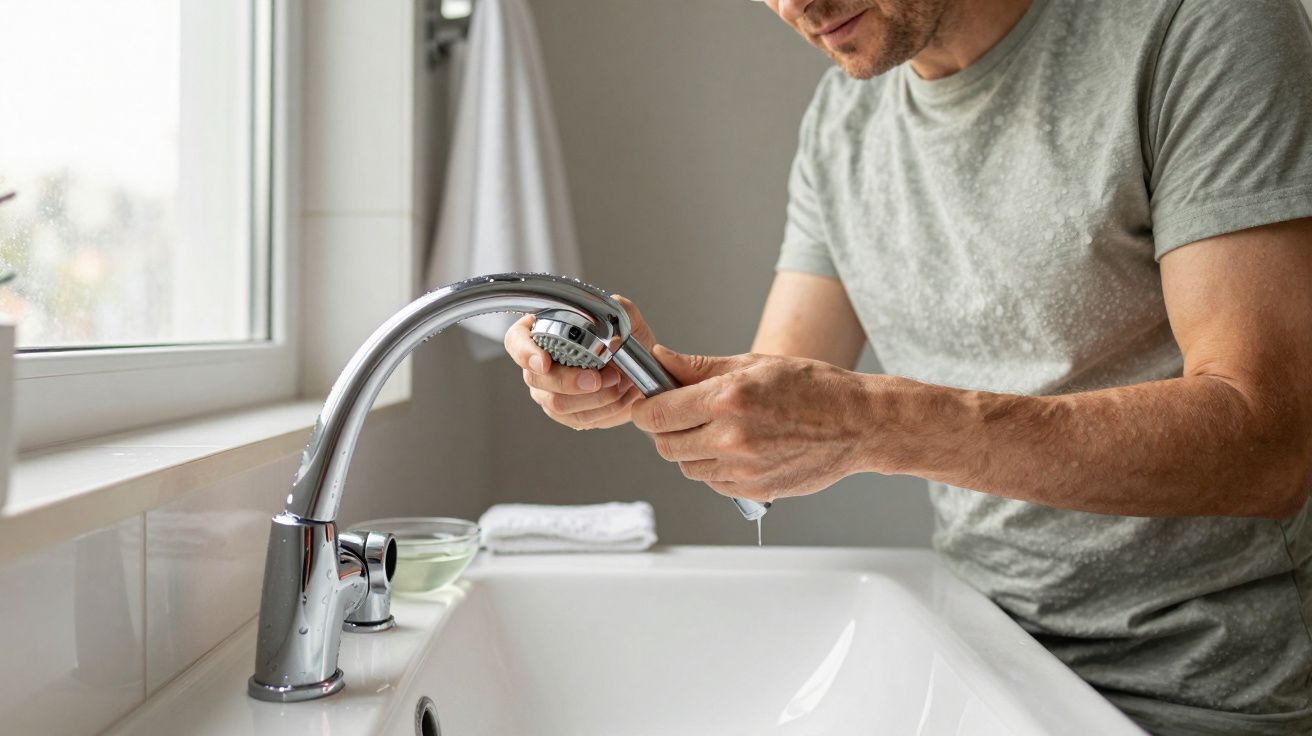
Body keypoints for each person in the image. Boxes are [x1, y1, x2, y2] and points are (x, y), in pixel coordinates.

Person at [504, 0, 1312, 733]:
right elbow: (775, 416)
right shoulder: (842, 124)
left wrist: (872, 424)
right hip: (978, 650)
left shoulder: (1201, 28)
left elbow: (1269, 442)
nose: (796, 6)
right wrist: (636, 370)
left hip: (1200, 693)